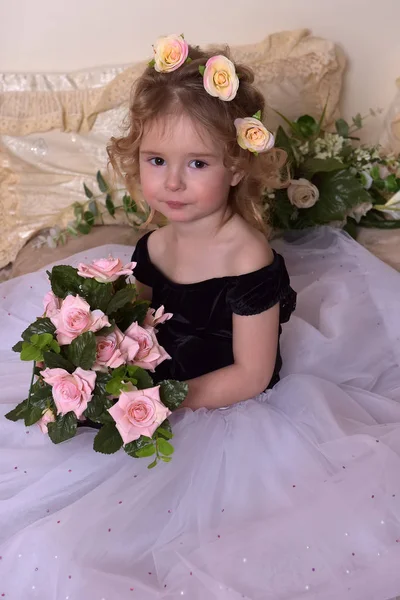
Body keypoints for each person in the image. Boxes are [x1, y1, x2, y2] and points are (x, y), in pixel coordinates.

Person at [1, 35, 400, 600]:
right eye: (156, 160)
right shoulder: (154, 244)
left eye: (198, 163)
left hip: (228, 404)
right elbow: (132, 323)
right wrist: (101, 359)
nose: (173, 182)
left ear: (236, 167)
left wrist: (164, 401)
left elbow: (252, 373)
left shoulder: (247, 256)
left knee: (200, 538)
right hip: (158, 386)